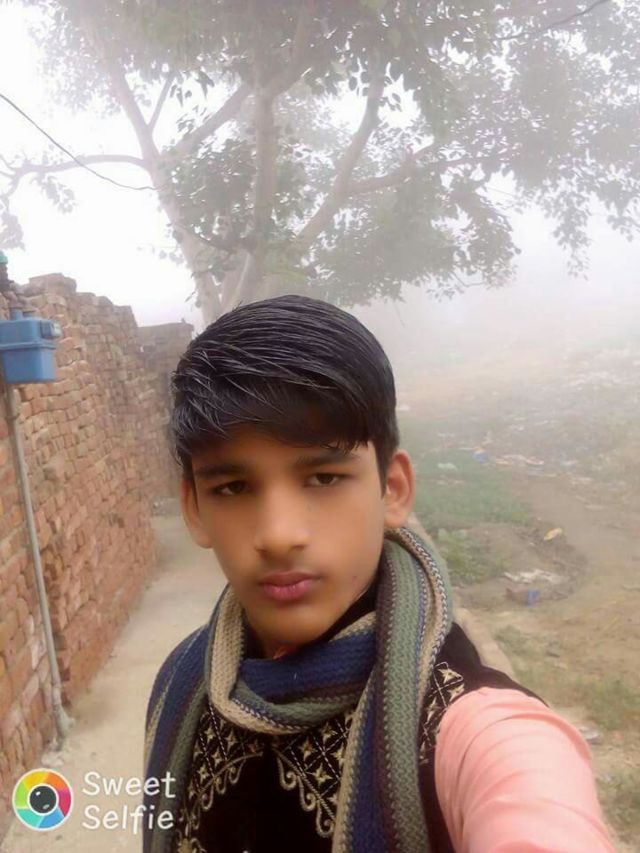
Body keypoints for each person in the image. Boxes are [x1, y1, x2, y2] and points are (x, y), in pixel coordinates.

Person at [143, 295, 614, 853]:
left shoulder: (475, 729)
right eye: (233, 487)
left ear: (392, 490)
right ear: (195, 508)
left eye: (323, 478)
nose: (278, 535)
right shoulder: (182, 683)